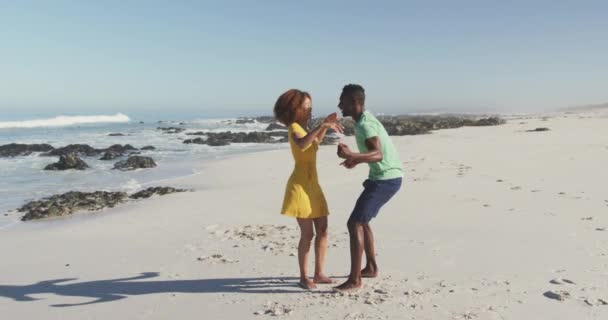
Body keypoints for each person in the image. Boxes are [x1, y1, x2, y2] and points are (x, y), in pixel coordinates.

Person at [334, 84, 403, 291]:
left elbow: (378, 154)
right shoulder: (364, 119)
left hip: (386, 179)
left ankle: (355, 280)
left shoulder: (365, 125)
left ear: (354, 102)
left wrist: (352, 155)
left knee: (354, 223)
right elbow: (374, 154)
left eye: (342, 101)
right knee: (362, 222)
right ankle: (371, 268)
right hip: (384, 177)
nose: (339, 105)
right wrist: (355, 160)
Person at [273, 89, 344, 289]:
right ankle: (304, 277)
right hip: (299, 185)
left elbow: (314, 142)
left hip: (312, 183)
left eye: (310, 105)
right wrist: (322, 125)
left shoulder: (304, 127)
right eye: (306, 106)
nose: (310, 109)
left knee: (323, 229)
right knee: (307, 234)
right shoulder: (294, 127)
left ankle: (319, 273)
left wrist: (325, 127)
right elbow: (304, 144)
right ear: (295, 108)